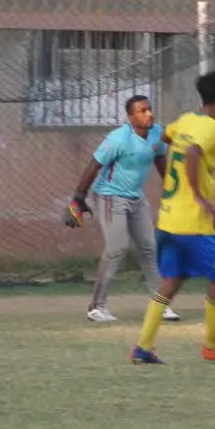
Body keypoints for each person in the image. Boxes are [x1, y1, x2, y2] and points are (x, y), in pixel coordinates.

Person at [129, 70, 215, 366]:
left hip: (168, 220)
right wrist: (198, 194)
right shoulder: (211, 128)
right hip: (192, 223)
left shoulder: (185, 121)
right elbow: (194, 152)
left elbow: (166, 135)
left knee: (172, 280)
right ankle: (212, 345)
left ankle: (143, 347)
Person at [64, 95, 181, 323]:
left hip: (136, 197)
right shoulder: (118, 139)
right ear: (130, 117)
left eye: (149, 109)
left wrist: (171, 187)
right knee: (117, 247)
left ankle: (161, 305)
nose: (149, 114)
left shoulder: (156, 132)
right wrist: (78, 198)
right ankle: (96, 307)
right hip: (109, 196)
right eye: (142, 111)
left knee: (149, 247)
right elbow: (93, 165)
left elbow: (159, 157)